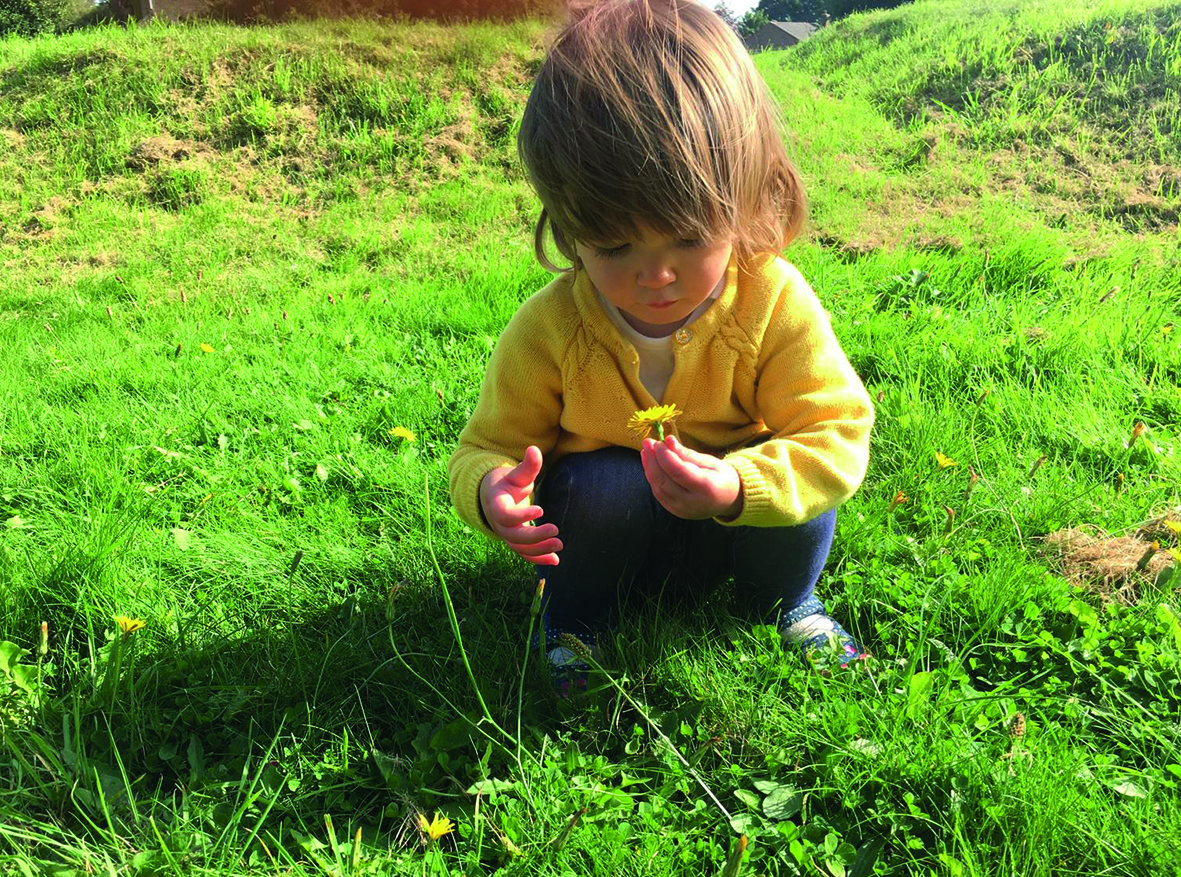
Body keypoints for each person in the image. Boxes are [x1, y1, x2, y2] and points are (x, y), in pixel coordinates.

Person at [448, 0, 874, 695]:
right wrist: (492, 490)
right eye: (613, 246)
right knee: (601, 485)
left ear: (741, 203)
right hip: (606, 545)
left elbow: (833, 429)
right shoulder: (550, 327)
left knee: (800, 492)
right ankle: (574, 622)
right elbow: (483, 448)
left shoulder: (772, 300)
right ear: (566, 226)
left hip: (740, 525)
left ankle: (788, 601)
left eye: (688, 237)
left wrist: (740, 483)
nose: (655, 275)